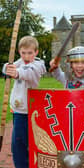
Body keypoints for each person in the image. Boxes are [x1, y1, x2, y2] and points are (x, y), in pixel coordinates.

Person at [2, 36, 46, 168]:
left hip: (27, 111)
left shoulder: (38, 64)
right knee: (19, 143)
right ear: (19, 52)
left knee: (20, 143)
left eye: (30, 53)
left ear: (36, 52)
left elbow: (28, 73)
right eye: (23, 53)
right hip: (18, 110)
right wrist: (7, 68)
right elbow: (8, 66)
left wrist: (15, 73)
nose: (26, 56)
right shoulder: (20, 62)